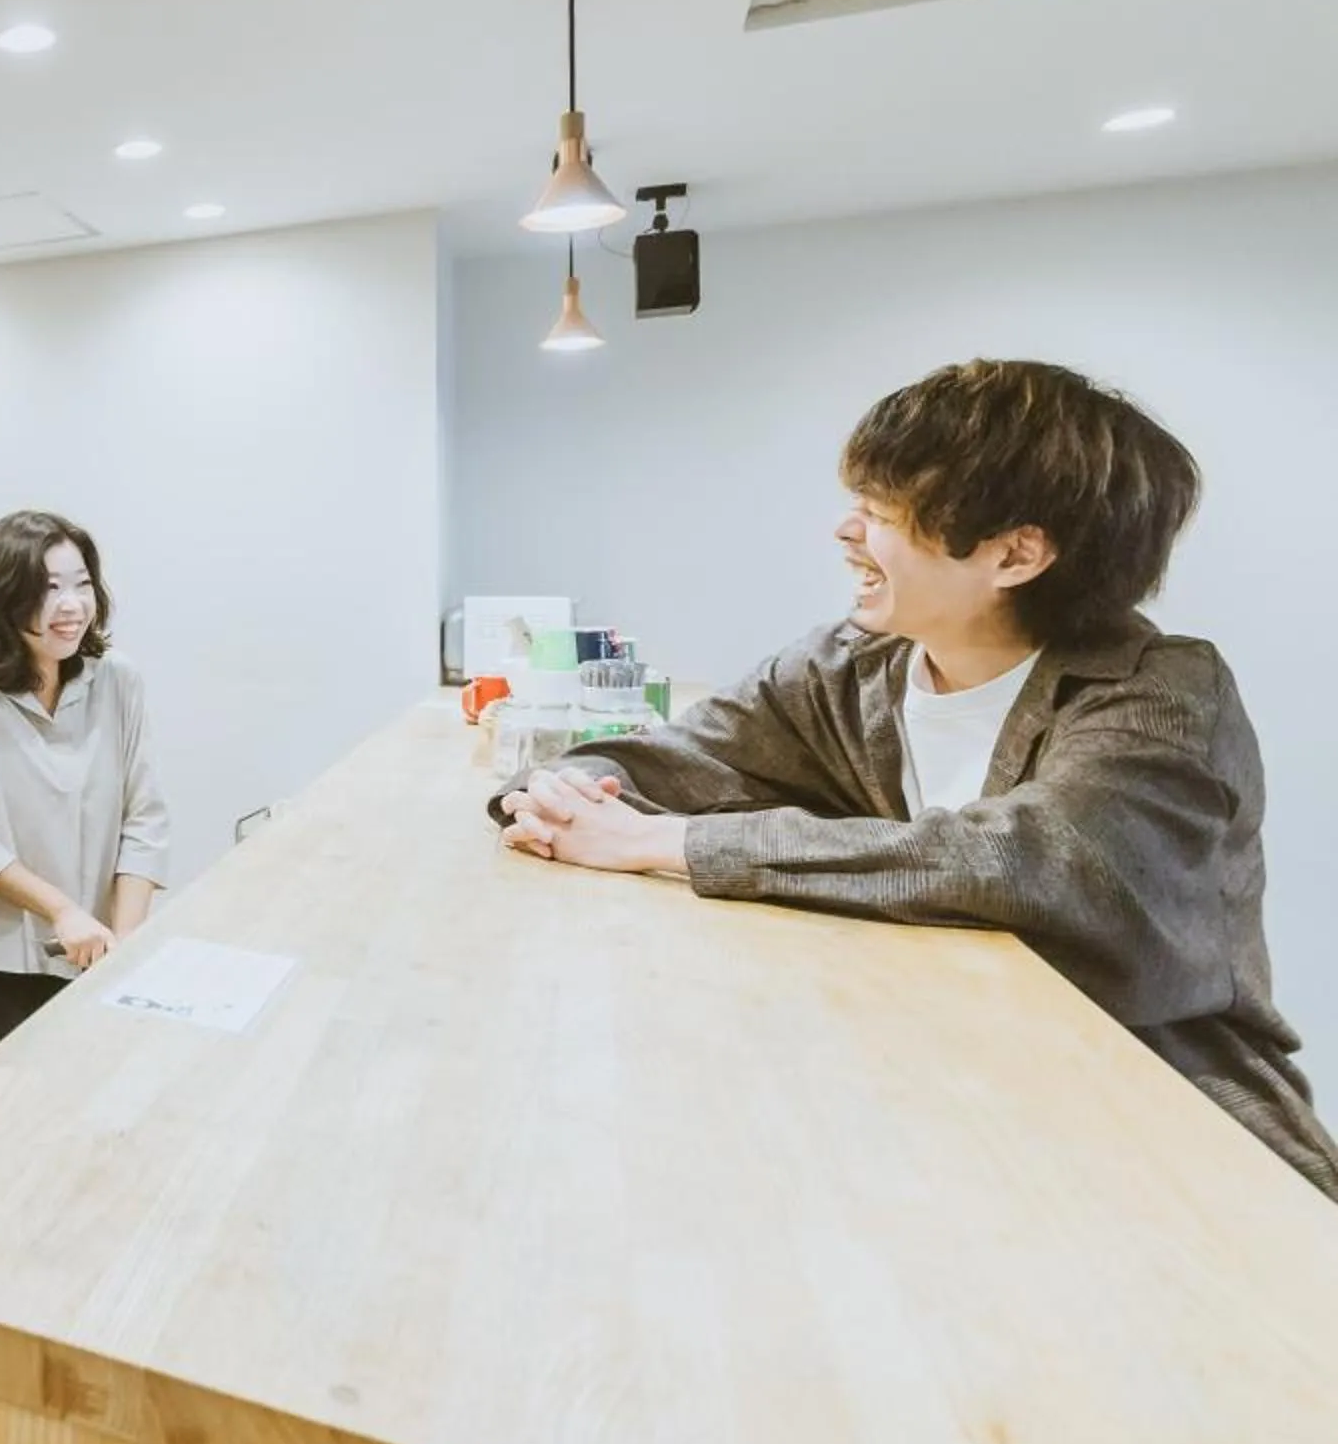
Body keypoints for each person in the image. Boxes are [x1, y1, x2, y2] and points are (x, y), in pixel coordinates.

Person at [498, 360, 1338, 1200]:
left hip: (1170, 1120)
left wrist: (666, 841)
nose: (845, 533)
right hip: (949, 1089)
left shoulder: (1160, 692)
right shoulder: (846, 668)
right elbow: (678, 757)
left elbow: (1021, 864)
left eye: (880, 512)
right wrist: (562, 796)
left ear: (1016, 553)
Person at [0, 510, 170, 1071]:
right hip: (7, 963)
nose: (72, 605)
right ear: (3, 600)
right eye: (48, 589)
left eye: (82, 584)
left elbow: (145, 817)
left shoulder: (117, 681)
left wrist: (123, 942)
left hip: (103, 954)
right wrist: (61, 911)